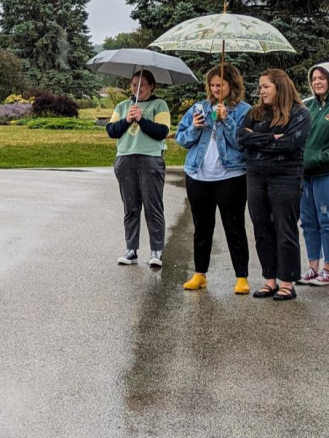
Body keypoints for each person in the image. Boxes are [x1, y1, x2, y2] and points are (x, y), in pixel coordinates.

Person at [174, 64, 252, 294]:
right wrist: (195, 128)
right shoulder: (199, 107)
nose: (216, 89)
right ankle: (200, 274)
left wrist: (226, 120)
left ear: (232, 85)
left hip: (231, 176)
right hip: (198, 175)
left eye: (221, 85)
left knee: (234, 226)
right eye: (213, 85)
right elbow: (181, 138)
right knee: (201, 227)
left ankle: (241, 277)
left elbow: (242, 144)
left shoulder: (245, 110)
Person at [238, 69, 311, 300]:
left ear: (279, 87)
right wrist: (271, 138)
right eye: (260, 87)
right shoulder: (255, 113)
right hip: (255, 176)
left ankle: (287, 282)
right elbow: (241, 138)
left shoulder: (300, 113)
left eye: (265, 86)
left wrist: (257, 141)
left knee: (284, 228)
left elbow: (289, 144)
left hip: (286, 176)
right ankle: (270, 280)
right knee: (261, 229)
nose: (261, 91)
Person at [107, 69, 171, 267]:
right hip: (126, 159)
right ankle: (131, 249)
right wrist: (127, 119)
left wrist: (142, 119)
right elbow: (111, 130)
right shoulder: (123, 106)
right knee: (131, 207)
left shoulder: (159, 105)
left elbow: (161, 132)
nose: (137, 89)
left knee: (153, 207)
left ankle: (156, 251)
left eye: (141, 85)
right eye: (134, 85)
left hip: (150, 160)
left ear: (152, 87)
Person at [299, 62, 329, 286]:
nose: (317, 82)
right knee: (308, 221)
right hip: (304, 174)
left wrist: (320, 158)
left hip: (325, 173)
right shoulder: (307, 105)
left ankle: (328, 268)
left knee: (326, 220)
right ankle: (313, 267)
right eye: (314, 78)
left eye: (322, 78)